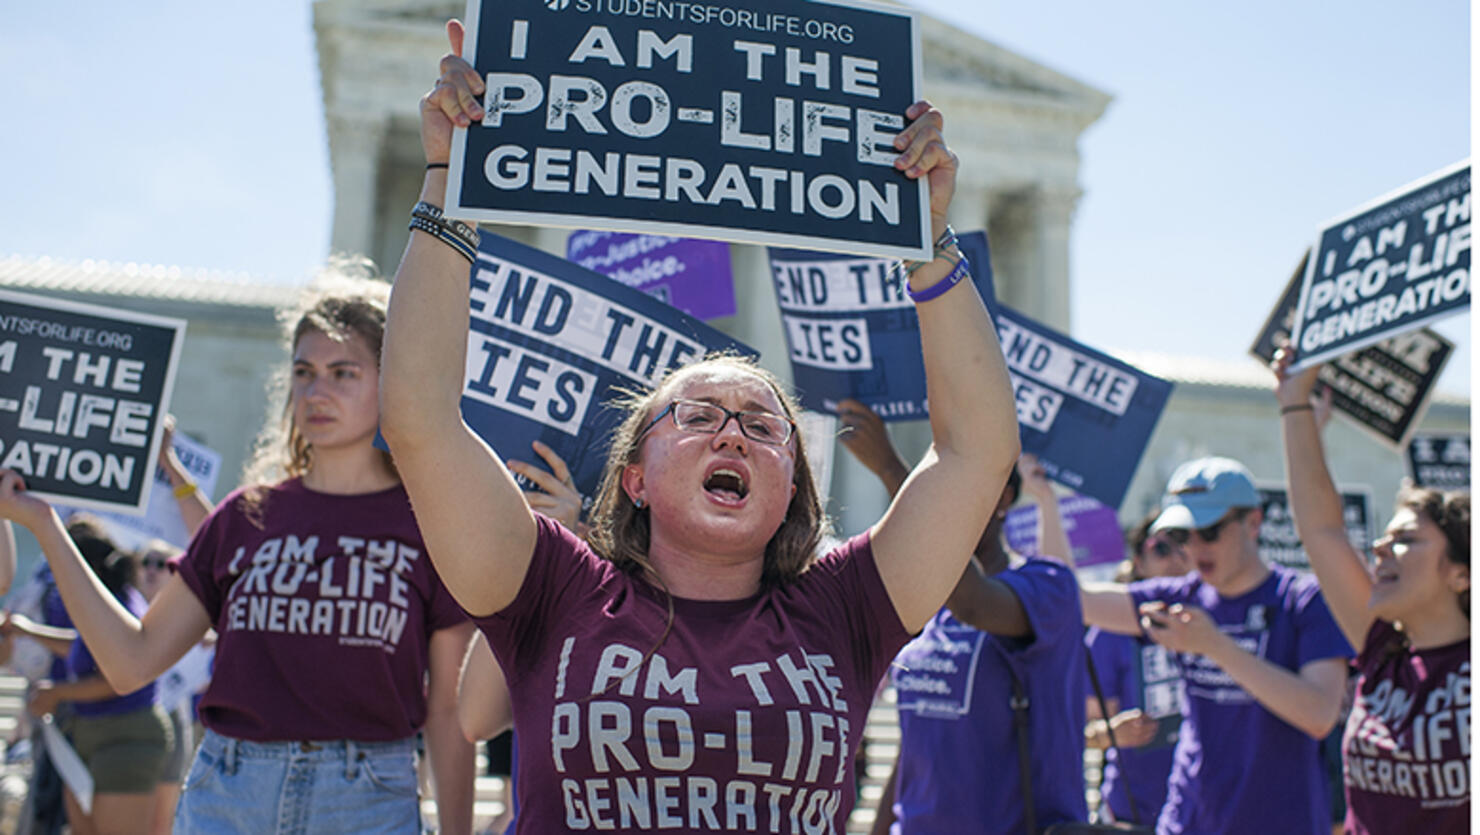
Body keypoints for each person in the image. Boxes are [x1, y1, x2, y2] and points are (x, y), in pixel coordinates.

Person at [379, 19, 1017, 834]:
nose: (734, 433)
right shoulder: (553, 588)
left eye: (763, 424)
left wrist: (925, 240)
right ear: (635, 474)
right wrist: (447, 180)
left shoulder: (850, 608)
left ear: (792, 487)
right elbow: (423, 418)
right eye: (699, 414)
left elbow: (975, 453)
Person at [0, 273, 477, 834]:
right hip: (228, 792)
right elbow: (132, 661)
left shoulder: (429, 525)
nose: (316, 391)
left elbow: (447, 712)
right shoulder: (243, 517)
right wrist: (44, 525)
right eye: (304, 372)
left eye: (344, 373)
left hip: (367, 800)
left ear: (391, 382)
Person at [836, 401, 1086, 835]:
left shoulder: (1050, 588)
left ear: (1003, 498)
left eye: (949, 489)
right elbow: (917, 745)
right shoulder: (929, 607)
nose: (939, 504)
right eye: (934, 490)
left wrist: (894, 471)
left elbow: (976, 602)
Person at [1080, 455, 1353, 834]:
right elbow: (1076, 600)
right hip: (1188, 821)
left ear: (1253, 522)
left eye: (1208, 532)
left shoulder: (1302, 600)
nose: (1193, 548)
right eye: (1180, 535)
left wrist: (1216, 646)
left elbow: (1321, 714)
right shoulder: (1181, 597)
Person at [1274, 348, 1469, 834]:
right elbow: (1322, 530)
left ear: (1462, 574)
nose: (1380, 548)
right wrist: (1294, 400)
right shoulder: (1380, 647)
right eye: (1383, 537)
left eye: (1405, 541)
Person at [3, 516, 172, 835]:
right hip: (87, 734)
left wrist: (58, 693)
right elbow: (85, 646)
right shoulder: (98, 605)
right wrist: (29, 632)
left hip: (125, 735)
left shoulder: (123, 604)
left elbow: (119, 676)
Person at [1082, 512, 1190, 827]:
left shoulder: (1217, 622)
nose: (1175, 558)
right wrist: (1110, 733)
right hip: (1133, 813)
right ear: (1139, 562)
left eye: (1184, 545)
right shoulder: (1110, 631)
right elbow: (1081, 730)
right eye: (1161, 548)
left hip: (1206, 808)